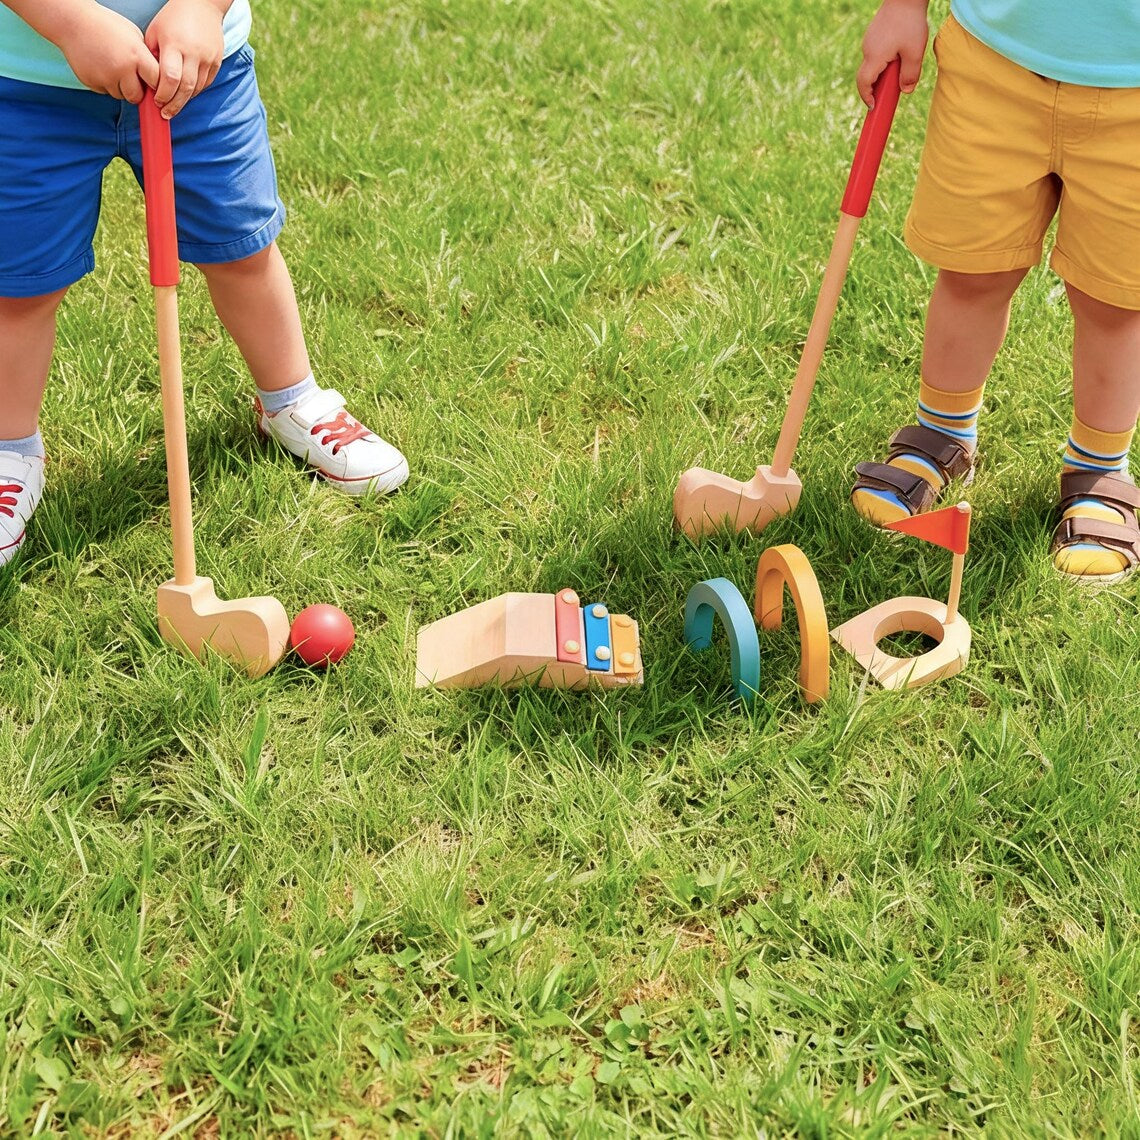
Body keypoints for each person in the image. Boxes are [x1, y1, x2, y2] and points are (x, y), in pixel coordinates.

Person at [0, 0, 409, 567]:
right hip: (30, 86)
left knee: (243, 252)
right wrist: (71, 23)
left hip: (199, 74)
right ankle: (10, 452)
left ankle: (292, 401)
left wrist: (202, 8)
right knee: (19, 289)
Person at [850, 0, 1140, 583]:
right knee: (971, 269)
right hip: (994, 65)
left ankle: (1098, 468)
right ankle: (943, 432)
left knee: (1116, 298)